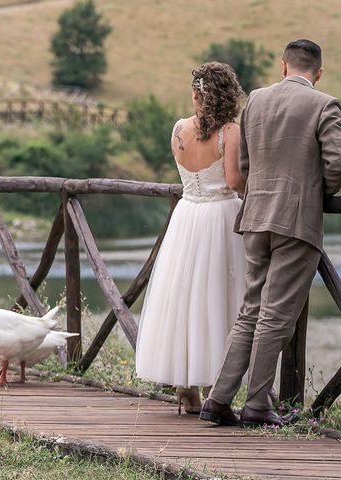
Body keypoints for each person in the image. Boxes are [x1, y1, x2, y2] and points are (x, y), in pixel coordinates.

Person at [201, 39, 341, 428]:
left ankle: (218, 399)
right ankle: (258, 405)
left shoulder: (256, 101)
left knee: (250, 311)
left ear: (283, 67)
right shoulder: (325, 105)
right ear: (318, 72)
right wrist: (316, 193)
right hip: (296, 222)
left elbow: (244, 164)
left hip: (255, 216)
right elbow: (337, 165)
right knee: (276, 316)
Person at [135, 62, 246, 414]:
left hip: (186, 216)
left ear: (198, 94)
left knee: (183, 296)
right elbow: (233, 182)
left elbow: (188, 175)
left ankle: (186, 385)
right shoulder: (230, 132)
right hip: (220, 217)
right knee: (219, 298)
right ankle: (217, 385)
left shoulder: (179, 130)